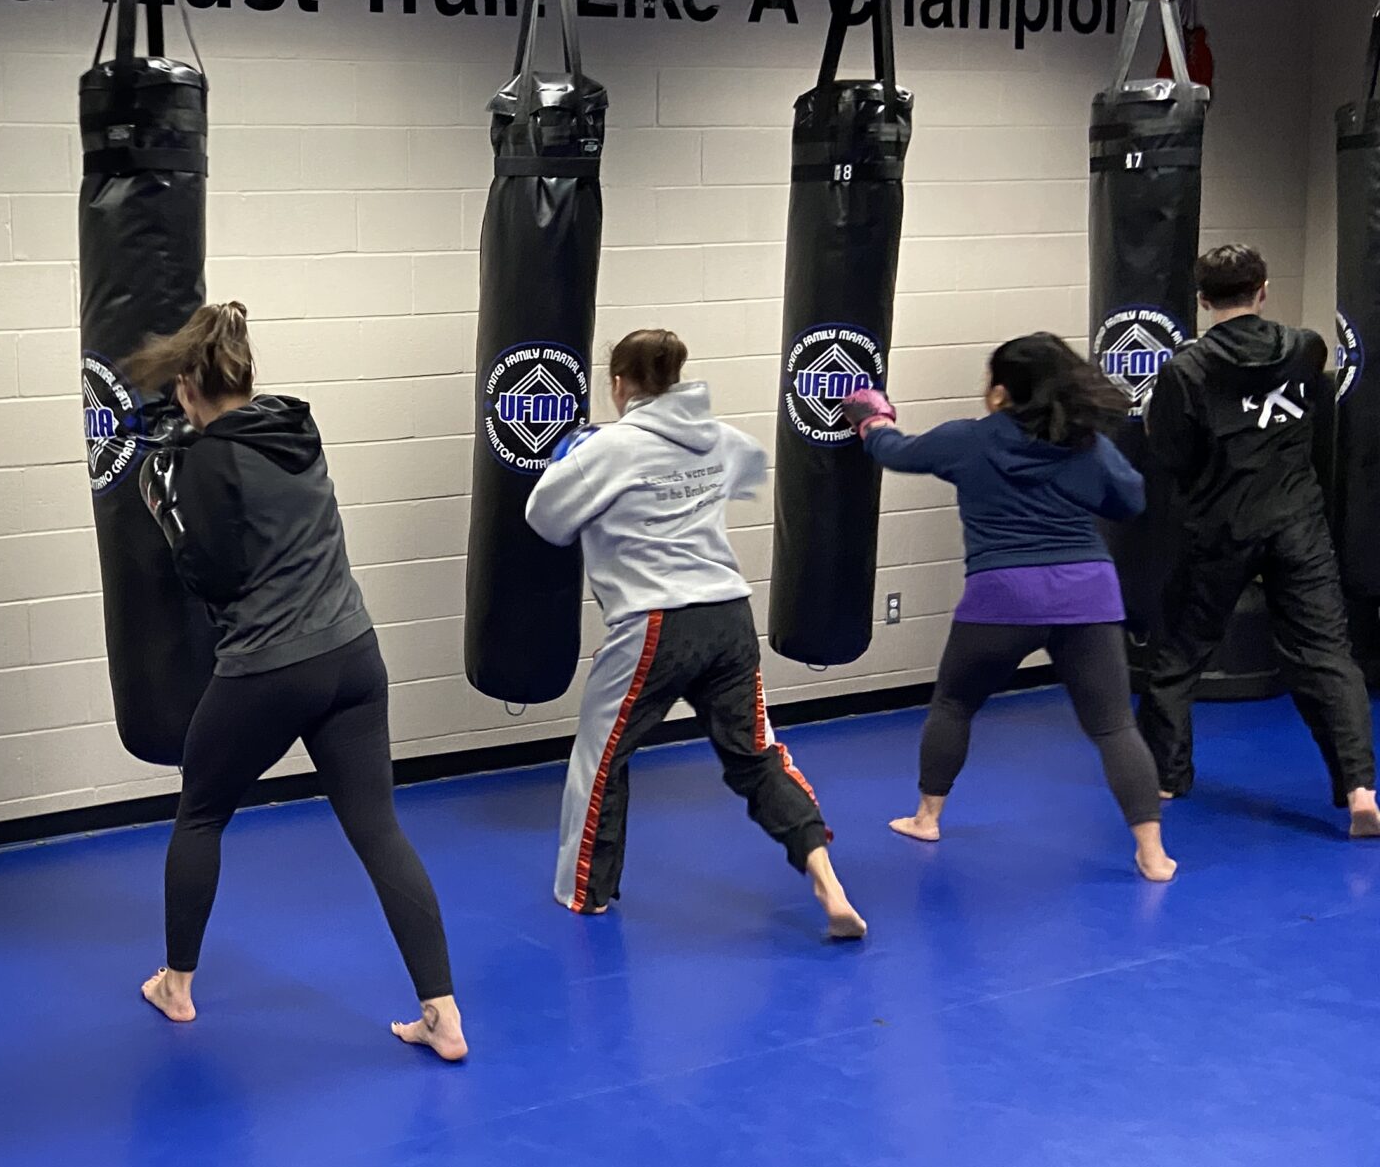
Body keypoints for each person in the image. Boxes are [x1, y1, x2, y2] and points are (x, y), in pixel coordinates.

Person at [127, 302, 466, 1060]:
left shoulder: (207, 464)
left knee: (201, 813)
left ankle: (176, 985)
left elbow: (210, 578)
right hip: (354, 655)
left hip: (271, 667)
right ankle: (443, 1016)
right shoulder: (295, 427)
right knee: (379, 830)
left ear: (187, 386)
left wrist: (164, 508)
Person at [525, 329, 866, 938]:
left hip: (655, 621)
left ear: (620, 383)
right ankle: (826, 877)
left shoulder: (608, 448)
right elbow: (754, 461)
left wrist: (571, 459)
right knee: (757, 756)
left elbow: (543, 518)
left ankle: (587, 894)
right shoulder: (717, 437)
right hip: (729, 615)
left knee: (601, 759)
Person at [845, 334, 1174, 881]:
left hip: (1003, 594)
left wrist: (873, 420)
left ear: (999, 391)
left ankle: (927, 818)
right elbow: (1132, 500)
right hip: (1087, 593)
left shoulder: (966, 441)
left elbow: (895, 452)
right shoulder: (1086, 444)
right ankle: (1153, 853)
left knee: (953, 703)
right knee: (1114, 726)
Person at [1136, 243, 1380, 834]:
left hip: (1221, 528)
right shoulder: (1306, 347)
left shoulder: (1186, 370)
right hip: (1298, 522)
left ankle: (1167, 776)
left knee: (1177, 655)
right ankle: (1360, 788)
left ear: (1201, 299)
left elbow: (1168, 452)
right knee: (1327, 655)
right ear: (1263, 289)